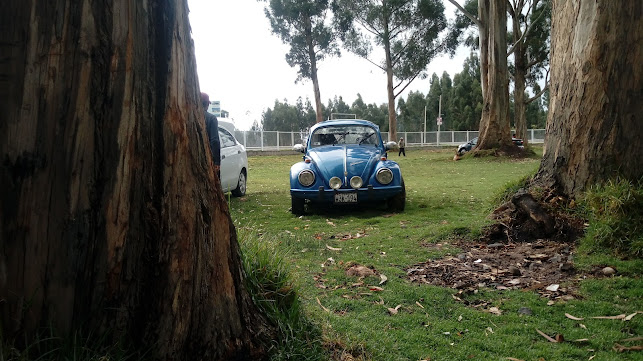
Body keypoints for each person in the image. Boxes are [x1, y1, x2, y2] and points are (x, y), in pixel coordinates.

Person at [201, 92, 221, 175]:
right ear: (207, 104)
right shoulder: (211, 118)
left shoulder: (189, 117)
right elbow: (214, 140)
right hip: (207, 159)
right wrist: (216, 162)